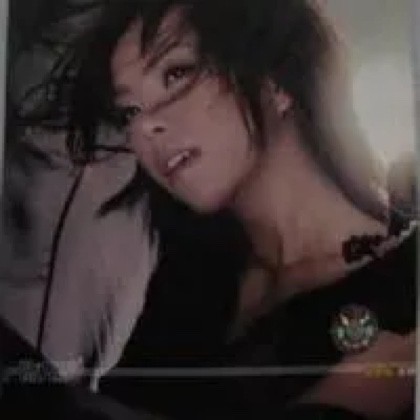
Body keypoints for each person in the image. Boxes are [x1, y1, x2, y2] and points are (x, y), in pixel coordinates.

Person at [4, 0, 416, 419]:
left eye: (176, 74)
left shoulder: (406, 279)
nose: (143, 128)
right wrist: (341, 402)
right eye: (129, 111)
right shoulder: (192, 276)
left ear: (275, 80)